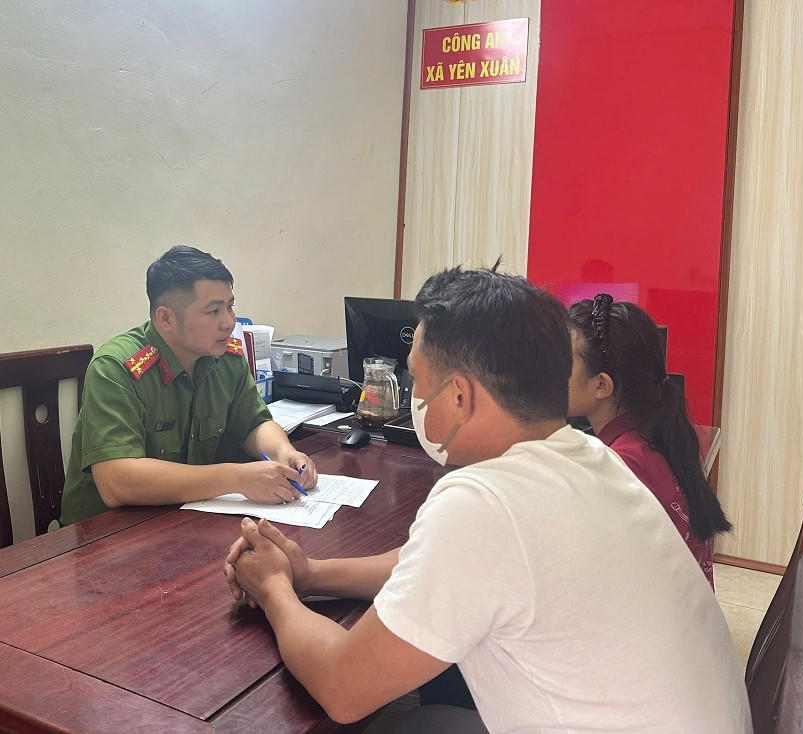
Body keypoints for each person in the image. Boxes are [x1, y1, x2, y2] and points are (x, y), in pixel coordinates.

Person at [223, 266, 752, 733]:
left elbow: (342, 688)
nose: (413, 396)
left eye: (416, 379)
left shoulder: (484, 503)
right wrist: (310, 574)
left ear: (459, 396)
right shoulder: (592, 458)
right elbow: (423, 564)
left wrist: (273, 588)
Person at [59, 245, 318, 526]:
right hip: (106, 534)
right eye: (214, 311)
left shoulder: (225, 358)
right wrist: (237, 478)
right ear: (166, 318)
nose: (229, 322)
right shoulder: (116, 368)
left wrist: (285, 453)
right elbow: (116, 482)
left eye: (230, 306)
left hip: (182, 518)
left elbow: (254, 423)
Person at [567, 294, 732, 586]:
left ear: (602, 385)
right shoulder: (655, 434)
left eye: (562, 363)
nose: (547, 373)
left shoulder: (623, 464)